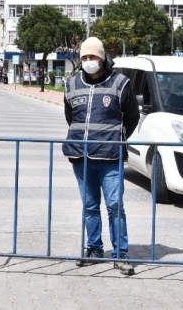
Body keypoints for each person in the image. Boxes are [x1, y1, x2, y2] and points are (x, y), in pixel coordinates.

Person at [62, 36, 140, 275]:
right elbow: (70, 117)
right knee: (89, 206)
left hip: (110, 157)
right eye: (85, 57)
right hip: (81, 157)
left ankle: (120, 255)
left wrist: (114, 139)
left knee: (115, 206)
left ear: (103, 58)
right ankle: (94, 248)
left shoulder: (121, 84)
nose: (89, 61)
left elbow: (131, 118)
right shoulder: (71, 84)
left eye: (93, 57)